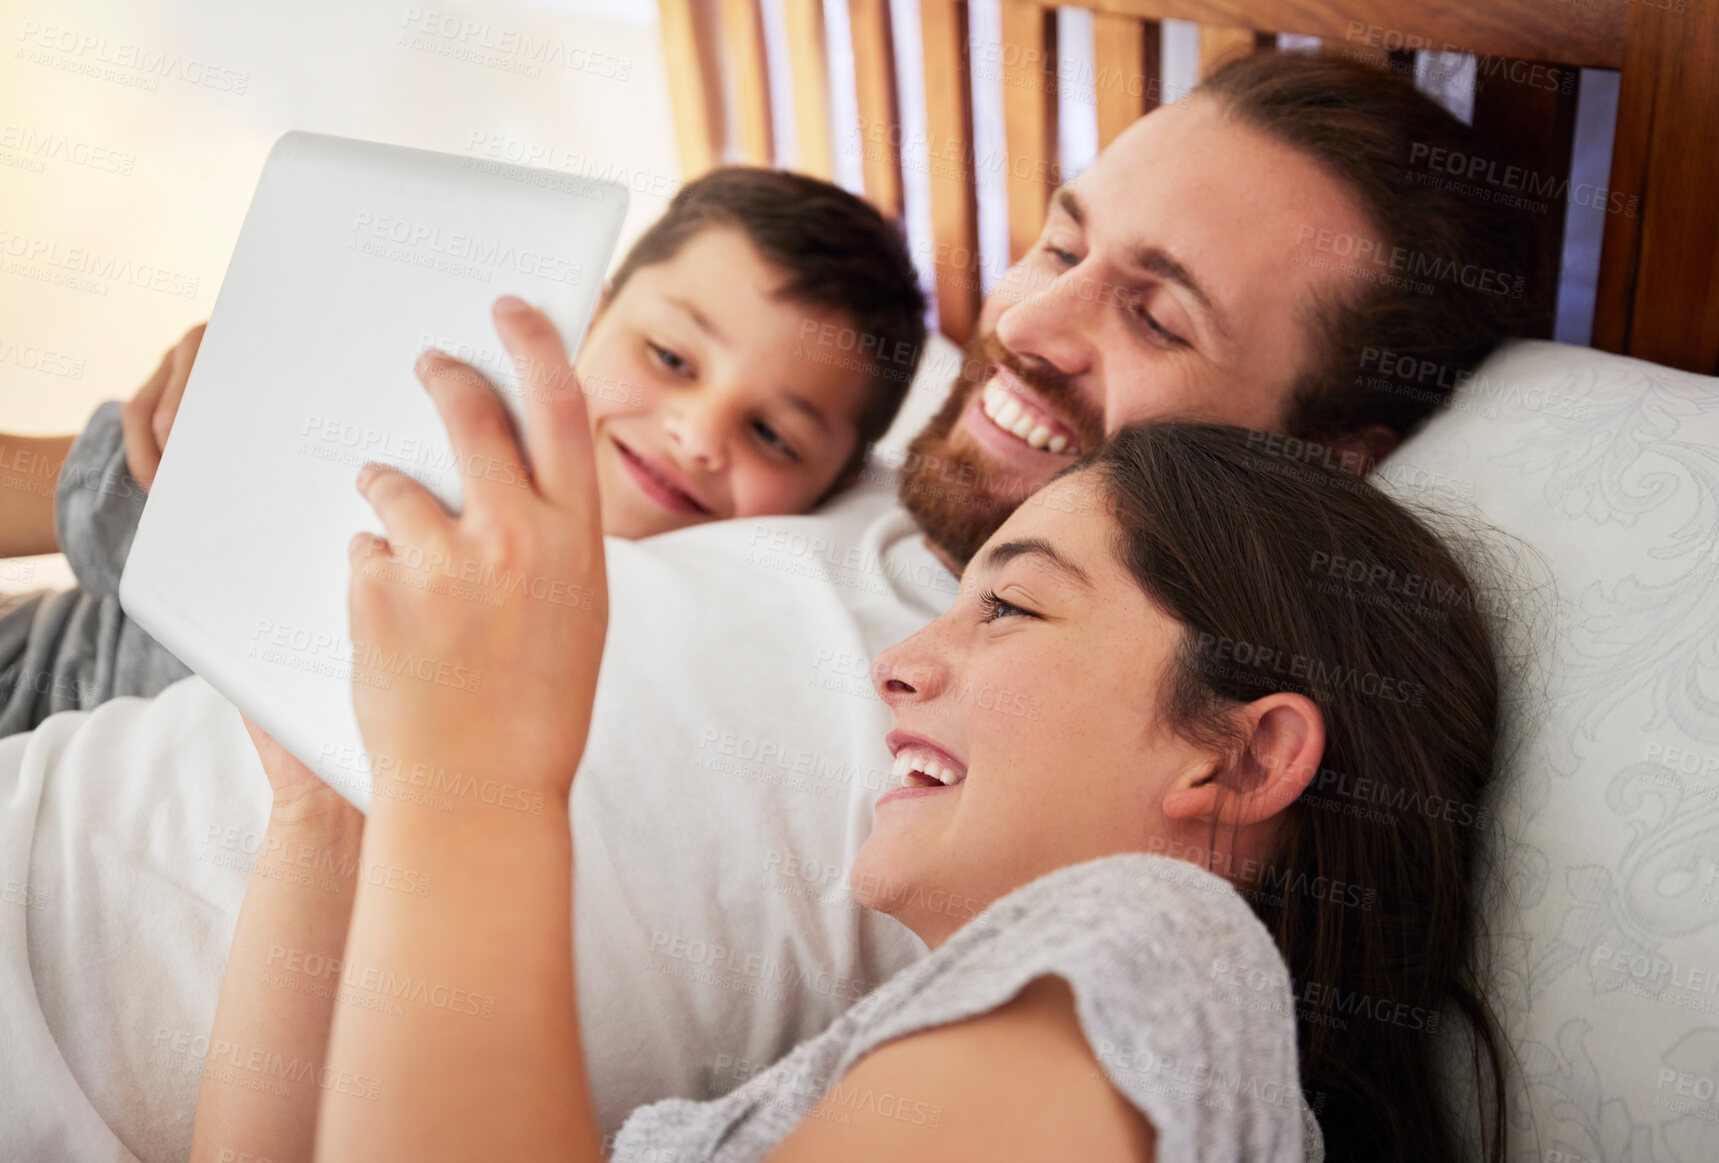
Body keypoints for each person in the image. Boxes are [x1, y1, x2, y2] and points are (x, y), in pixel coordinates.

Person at [0, 51, 1535, 1162]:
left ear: (1328, 465)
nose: (1029, 325)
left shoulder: (1106, 886)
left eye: (1153, 310)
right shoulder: (841, 476)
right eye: (1059, 244)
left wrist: (464, 780)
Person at [189, 396, 1507, 1162]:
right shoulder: (928, 1039)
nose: (896, 661)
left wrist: (472, 782)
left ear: (1241, 750)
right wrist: (331, 821)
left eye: (1011, 610)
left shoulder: (1168, 955)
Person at [0, 166, 926, 735]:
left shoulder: (688, 657)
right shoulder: (423, 428)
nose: (695, 433)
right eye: (670, 356)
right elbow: (46, 484)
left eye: (771, 434)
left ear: (834, 488)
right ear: (592, 315)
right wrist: (231, 407)